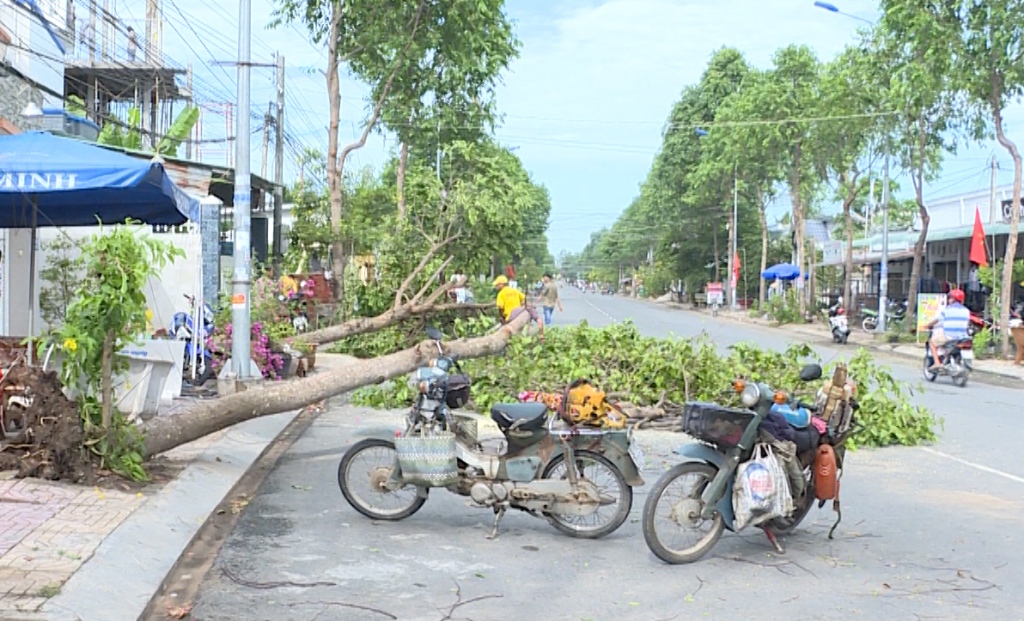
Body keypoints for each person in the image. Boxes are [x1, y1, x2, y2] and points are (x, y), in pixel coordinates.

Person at [925, 288, 970, 370]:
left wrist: (928, 325)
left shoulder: (947, 310)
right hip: (963, 337)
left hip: (949, 336)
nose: (949, 300)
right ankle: (947, 358)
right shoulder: (966, 310)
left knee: (932, 342)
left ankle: (937, 363)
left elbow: (937, 320)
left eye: (950, 298)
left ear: (953, 299)